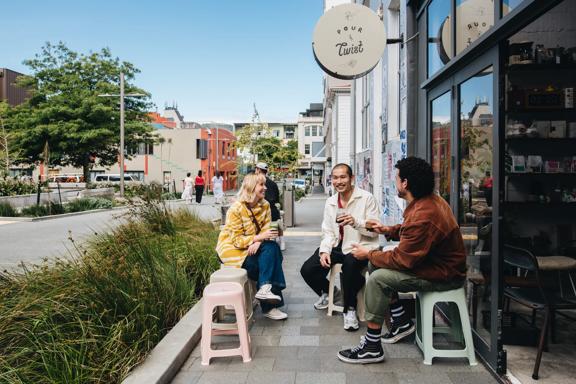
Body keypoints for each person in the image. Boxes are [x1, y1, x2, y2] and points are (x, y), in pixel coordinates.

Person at [337, 157, 466, 364]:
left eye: (396, 178)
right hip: (432, 265)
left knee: (378, 278)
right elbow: (413, 232)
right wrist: (388, 230)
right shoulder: (427, 202)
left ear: (405, 183)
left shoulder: (425, 213)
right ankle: (400, 321)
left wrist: (367, 253)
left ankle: (372, 346)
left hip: (443, 274)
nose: (394, 182)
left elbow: (402, 260)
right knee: (377, 263)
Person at [300, 163, 380, 331]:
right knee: (308, 269)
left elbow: (375, 232)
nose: (339, 181)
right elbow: (328, 232)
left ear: (352, 178)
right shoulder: (330, 202)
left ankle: (349, 310)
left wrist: (356, 222)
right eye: (335, 178)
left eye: (343, 177)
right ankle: (332, 294)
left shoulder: (366, 198)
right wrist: (324, 251)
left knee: (350, 266)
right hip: (337, 245)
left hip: (359, 246)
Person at [216, 173, 288, 320]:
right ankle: (268, 304)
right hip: (232, 250)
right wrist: (259, 238)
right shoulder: (236, 209)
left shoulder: (265, 205)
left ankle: (264, 289)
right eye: (261, 185)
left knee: (272, 249)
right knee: (272, 258)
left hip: (254, 246)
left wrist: (258, 241)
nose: (265, 188)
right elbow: (236, 241)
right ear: (251, 187)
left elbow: (265, 229)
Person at [255, 162, 285, 251]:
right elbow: (277, 198)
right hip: (274, 211)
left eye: (256, 169)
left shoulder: (256, 183)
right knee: (277, 223)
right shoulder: (273, 183)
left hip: (262, 212)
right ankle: (282, 242)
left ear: (259, 170)